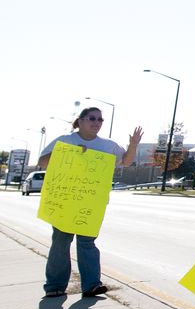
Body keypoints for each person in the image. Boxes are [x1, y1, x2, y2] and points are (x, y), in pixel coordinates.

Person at [39, 107, 142, 298]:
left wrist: (134, 144)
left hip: (91, 203)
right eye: (92, 118)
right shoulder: (66, 140)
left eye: (100, 119)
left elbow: (125, 162)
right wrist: (70, 153)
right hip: (65, 201)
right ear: (80, 121)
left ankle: (92, 285)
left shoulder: (108, 146)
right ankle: (54, 286)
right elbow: (42, 162)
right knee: (61, 243)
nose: (97, 122)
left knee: (87, 243)